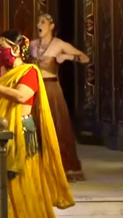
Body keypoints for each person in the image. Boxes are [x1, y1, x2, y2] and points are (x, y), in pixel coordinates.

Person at [0, 30, 74, 218]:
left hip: (23, 130)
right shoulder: (3, 72)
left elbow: (21, 95)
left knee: (23, 180)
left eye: (3, 48)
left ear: (16, 48)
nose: (0, 52)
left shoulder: (30, 71)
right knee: (2, 184)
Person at [29, 13, 89, 182]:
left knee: (56, 126)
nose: (39, 25)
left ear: (51, 26)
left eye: (43, 22)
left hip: (51, 89)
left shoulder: (59, 44)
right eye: (38, 22)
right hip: (35, 89)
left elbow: (85, 57)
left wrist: (66, 56)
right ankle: (36, 165)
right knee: (34, 126)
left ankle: (60, 166)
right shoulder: (32, 45)